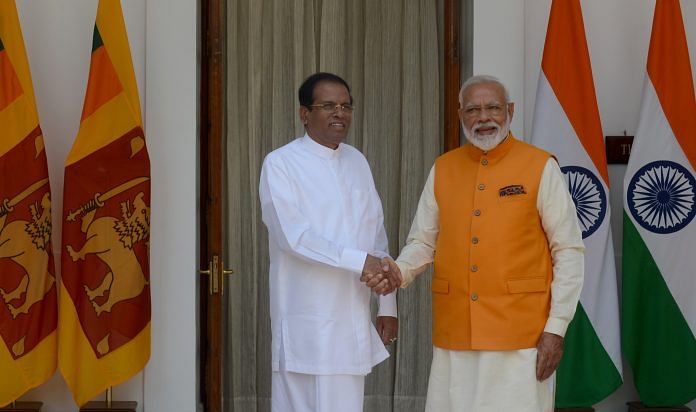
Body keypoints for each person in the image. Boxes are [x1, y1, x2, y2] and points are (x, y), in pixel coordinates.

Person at [387, 74, 584, 411]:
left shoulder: (540, 166)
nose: (483, 118)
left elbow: (568, 250)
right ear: (461, 115)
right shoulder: (443, 168)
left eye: (493, 108)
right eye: (473, 110)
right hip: (456, 333)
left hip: (521, 334)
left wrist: (557, 328)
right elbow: (423, 241)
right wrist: (398, 272)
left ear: (510, 111)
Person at [259, 72, 401, 412]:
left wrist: (388, 305)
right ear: (304, 114)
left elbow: (376, 234)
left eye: (345, 105)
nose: (340, 113)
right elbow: (293, 237)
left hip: (351, 321)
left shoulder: (357, 161)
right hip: (304, 321)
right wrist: (359, 261)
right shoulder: (281, 164)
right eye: (328, 105)